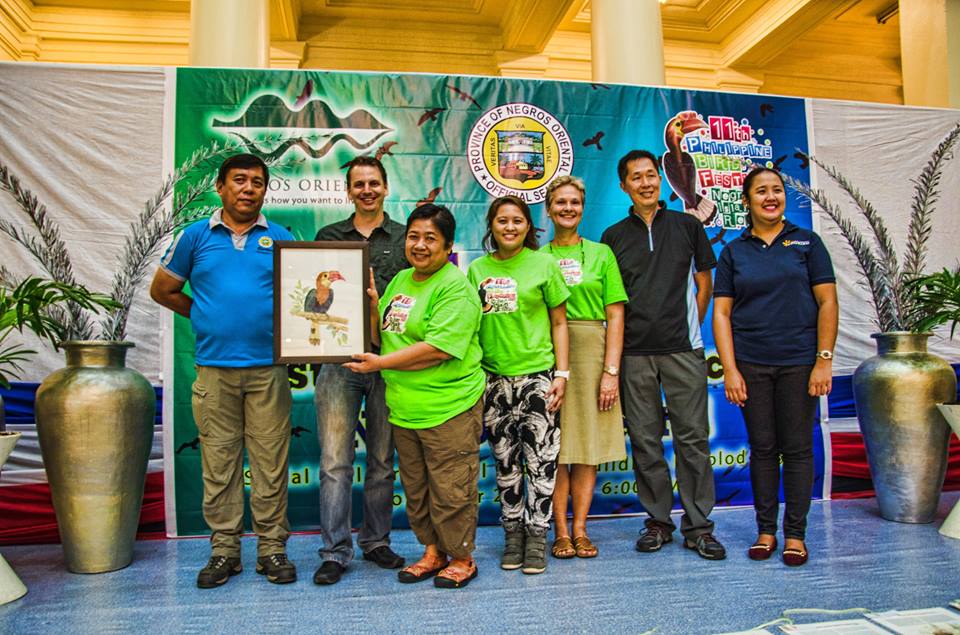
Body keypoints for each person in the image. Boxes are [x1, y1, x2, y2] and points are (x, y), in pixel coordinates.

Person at [150, 153, 297, 587]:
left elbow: (300, 298)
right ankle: (224, 551)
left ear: (265, 190)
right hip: (214, 372)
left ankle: (271, 549)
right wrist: (203, 313)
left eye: (257, 182)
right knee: (219, 464)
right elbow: (163, 289)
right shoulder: (195, 236)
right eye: (239, 180)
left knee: (271, 464)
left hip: (269, 371)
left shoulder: (282, 237)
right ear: (220, 187)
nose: (248, 189)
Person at [345, 204, 485, 589]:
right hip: (405, 409)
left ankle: (462, 558)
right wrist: (372, 306)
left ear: (448, 246)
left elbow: (437, 349)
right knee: (418, 489)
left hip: (448, 407)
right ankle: (433, 552)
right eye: (413, 236)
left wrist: (379, 364)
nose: (419, 245)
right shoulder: (402, 279)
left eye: (430, 238)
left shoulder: (455, 287)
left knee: (451, 490)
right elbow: (384, 336)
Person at [601, 149, 726, 561]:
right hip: (634, 355)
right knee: (645, 441)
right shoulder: (613, 237)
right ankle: (657, 521)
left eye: (651, 175)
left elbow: (704, 284)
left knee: (693, 439)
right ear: (624, 186)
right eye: (636, 177)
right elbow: (612, 302)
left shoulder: (688, 226)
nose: (646, 183)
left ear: (660, 179)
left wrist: (690, 329)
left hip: (683, 351)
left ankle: (699, 526)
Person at [712, 167, 838, 567]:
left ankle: (795, 535)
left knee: (798, 449)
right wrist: (730, 369)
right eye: (761, 191)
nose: (771, 197)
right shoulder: (734, 251)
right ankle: (766, 531)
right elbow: (721, 313)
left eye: (777, 190)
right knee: (763, 449)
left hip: (800, 363)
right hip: (751, 364)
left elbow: (828, 303)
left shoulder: (808, 242)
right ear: (746, 201)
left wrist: (823, 360)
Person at [311, 156, 409, 585]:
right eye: (359, 184)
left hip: (390, 362)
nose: (367, 190)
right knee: (335, 461)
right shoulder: (328, 237)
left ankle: (376, 541)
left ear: (386, 187)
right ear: (348, 191)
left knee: (383, 460)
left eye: (374, 183)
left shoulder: (406, 237)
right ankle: (334, 551)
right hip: (339, 361)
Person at [466, 195, 570, 575]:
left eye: (517, 221)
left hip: (538, 379)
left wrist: (562, 375)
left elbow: (560, 322)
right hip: (493, 382)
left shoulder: (544, 264)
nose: (510, 227)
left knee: (541, 464)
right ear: (491, 226)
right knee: (506, 464)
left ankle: (537, 537)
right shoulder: (476, 270)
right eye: (502, 220)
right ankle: (513, 536)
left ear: (528, 226)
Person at [542, 176, 627, 560]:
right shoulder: (537, 257)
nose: (568, 208)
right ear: (548, 209)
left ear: (582, 207)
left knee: (586, 445)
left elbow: (616, 314)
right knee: (557, 445)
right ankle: (559, 530)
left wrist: (611, 371)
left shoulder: (601, 254)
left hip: (593, 352)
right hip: (549, 352)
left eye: (574, 202)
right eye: (560, 202)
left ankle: (580, 528)